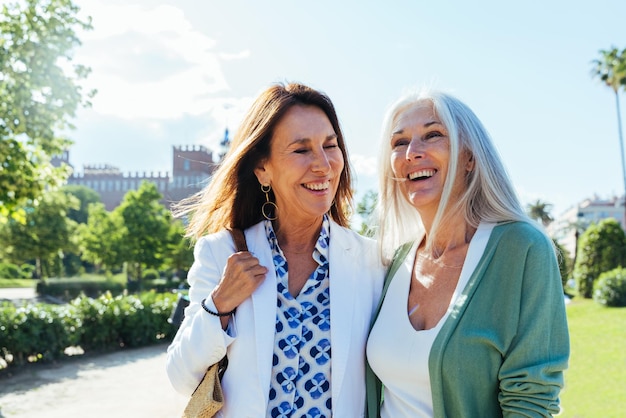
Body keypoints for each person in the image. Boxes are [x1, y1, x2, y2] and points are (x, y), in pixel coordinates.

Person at [166, 82, 384, 417]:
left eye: (330, 146)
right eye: (301, 150)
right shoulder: (219, 252)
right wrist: (219, 304)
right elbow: (182, 377)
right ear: (262, 169)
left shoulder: (373, 262)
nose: (323, 165)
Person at [365, 89, 570, 417]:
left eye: (433, 135)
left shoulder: (521, 248)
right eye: (399, 142)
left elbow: (531, 398)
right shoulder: (392, 260)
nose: (411, 152)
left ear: (470, 157)